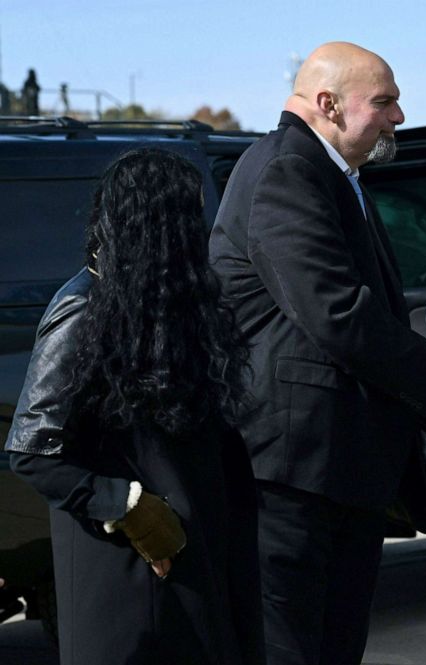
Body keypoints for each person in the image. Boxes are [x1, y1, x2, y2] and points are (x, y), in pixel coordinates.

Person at [209, 42, 426, 665]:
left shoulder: (329, 172)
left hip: (331, 474)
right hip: (293, 478)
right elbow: (336, 313)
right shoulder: (289, 169)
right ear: (328, 104)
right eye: (385, 102)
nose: (398, 116)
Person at [5, 148, 264, 664]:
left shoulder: (171, 303)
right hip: (126, 574)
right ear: (157, 226)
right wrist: (124, 505)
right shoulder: (82, 308)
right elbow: (33, 449)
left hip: (196, 561)